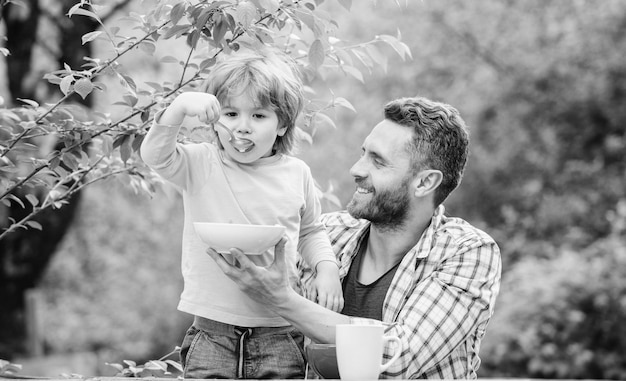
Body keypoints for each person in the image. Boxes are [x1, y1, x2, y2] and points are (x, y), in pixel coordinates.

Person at [207, 96, 502, 379]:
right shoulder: (327, 236)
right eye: (363, 153)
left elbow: (398, 356)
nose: (356, 169)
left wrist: (282, 300)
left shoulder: (468, 252)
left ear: (425, 182)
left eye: (378, 161)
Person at [140, 48, 343, 379]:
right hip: (212, 333)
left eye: (259, 116)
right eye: (231, 114)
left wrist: (327, 268)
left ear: (282, 125)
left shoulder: (296, 173)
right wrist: (178, 109)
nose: (243, 128)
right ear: (215, 120)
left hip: (280, 332)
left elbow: (310, 231)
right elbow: (154, 156)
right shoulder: (201, 162)